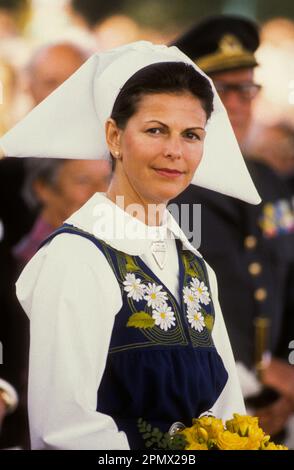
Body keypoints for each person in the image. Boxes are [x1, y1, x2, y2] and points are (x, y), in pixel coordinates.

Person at [0, 41, 261, 450]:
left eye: (191, 134)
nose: (175, 151)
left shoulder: (193, 265)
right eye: (155, 130)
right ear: (114, 136)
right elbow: (64, 432)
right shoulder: (77, 258)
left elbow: (229, 413)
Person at [172, 15, 294, 437]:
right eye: (223, 91)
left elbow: (290, 285)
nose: (239, 103)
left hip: (279, 404)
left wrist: (290, 372)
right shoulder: (169, 186)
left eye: (248, 89)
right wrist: (253, 372)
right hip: (201, 403)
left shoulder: (270, 181)